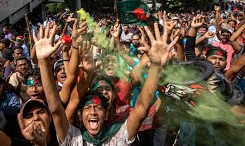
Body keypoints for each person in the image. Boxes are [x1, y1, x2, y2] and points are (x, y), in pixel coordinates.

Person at [34, 23, 178, 145]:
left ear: (107, 112)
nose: (93, 112)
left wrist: (156, 66)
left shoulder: (119, 136)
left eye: (98, 108)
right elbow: (55, 110)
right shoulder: (73, 138)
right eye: (88, 108)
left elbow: (141, 108)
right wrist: (43, 62)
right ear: (79, 113)